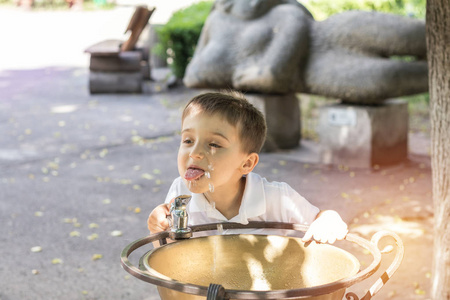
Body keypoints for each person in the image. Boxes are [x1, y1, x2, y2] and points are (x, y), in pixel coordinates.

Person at [147, 91, 348, 243]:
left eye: (214, 144)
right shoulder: (180, 193)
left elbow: (319, 217)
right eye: (188, 140)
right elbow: (169, 259)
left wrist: (329, 220)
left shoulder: (276, 198)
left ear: (246, 163)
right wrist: (158, 230)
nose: (194, 153)